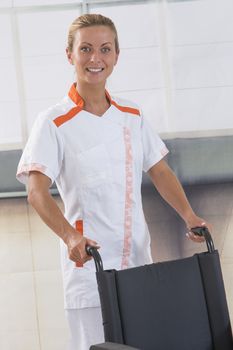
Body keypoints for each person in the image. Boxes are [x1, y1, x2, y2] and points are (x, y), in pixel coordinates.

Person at [16, 13, 211, 350]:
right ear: (70, 55)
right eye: (86, 49)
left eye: (105, 49)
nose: (96, 58)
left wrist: (189, 215)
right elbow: (36, 192)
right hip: (88, 266)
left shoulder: (132, 115)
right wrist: (70, 236)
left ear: (116, 56)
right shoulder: (53, 121)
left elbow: (160, 170)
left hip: (138, 263)